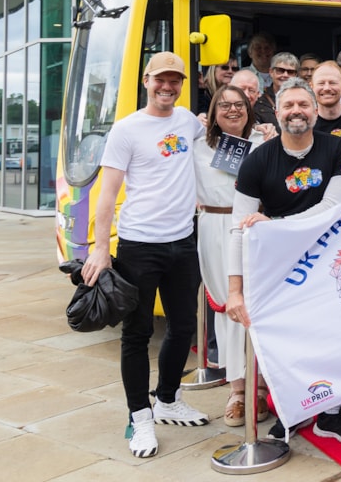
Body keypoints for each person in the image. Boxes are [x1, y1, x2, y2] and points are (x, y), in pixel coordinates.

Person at [80, 52, 209, 458]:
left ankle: (167, 399)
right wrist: (102, 249)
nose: (167, 87)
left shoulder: (189, 121)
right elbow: (108, 194)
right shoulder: (127, 129)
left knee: (183, 326)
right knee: (135, 334)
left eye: (176, 81)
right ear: (146, 80)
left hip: (184, 242)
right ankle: (140, 418)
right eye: (161, 80)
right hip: (139, 246)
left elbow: (215, 154)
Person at [225, 78, 341, 444]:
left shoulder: (340, 149)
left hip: (331, 263)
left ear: (316, 111)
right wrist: (234, 290)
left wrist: (276, 224)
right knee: (289, 344)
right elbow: (238, 228)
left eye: (304, 104)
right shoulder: (257, 161)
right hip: (279, 269)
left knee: (333, 339)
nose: (296, 111)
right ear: (278, 112)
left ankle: (331, 414)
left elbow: (331, 209)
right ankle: (291, 410)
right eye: (289, 106)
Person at [194, 84, 272, 427]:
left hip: (253, 226)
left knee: (256, 306)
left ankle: (260, 387)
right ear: (213, 111)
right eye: (224, 105)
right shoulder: (197, 144)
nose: (232, 110)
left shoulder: (264, 142)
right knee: (227, 307)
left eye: (239, 104)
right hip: (214, 226)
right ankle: (237, 389)